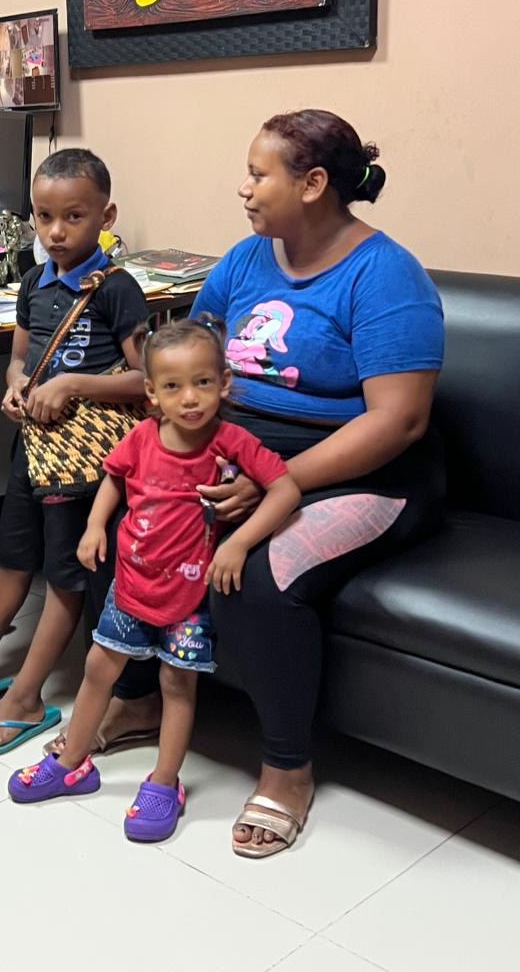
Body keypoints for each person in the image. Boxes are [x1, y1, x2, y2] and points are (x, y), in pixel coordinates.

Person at [81, 109, 445, 857]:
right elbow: (189, 362)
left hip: (362, 472)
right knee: (125, 528)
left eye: (258, 174)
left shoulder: (386, 274)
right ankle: (138, 700)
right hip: (243, 453)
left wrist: (274, 483)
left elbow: (398, 421)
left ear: (312, 184)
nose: (243, 188)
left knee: (260, 572)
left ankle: (286, 769)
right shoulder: (247, 259)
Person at [7, 317, 299, 841]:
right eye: (173, 386)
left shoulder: (230, 441)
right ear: (151, 393)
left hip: (188, 598)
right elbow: (114, 478)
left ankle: (165, 782)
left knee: (176, 685)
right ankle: (72, 763)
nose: (189, 398)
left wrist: (238, 543)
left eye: (202, 382)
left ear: (223, 383)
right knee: (98, 669)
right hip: (130, 585)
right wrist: (94, 526)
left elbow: (285, 490)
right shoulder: (142, 436)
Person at [0, 148, 150, 756]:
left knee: (65, 576)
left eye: (74, 217)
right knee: (13, 557)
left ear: (106, 216)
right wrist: (16, 386)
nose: (56, 232)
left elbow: (146, 381)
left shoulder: (117, 290)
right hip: (34, 448)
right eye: (44, 217)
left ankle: (25, 697)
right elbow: (20, 358)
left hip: (82, 461)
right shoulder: (32, 282)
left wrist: (72, 384)